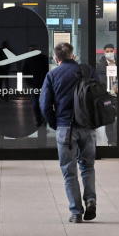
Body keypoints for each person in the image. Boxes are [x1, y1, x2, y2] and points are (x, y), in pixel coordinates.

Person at [40, 42, 99, 223]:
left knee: (69, 171)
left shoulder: (52, 75)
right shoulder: (88, 71)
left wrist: (55, 123)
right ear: (74, 56)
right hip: (88, 127)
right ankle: (90, 200)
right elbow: (99, 95)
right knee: (88, 165)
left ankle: (76, 212)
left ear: (56, 59)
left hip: (65, 127)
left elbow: (44, 105)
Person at [21, 44, 49, 127]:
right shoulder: (41, 59)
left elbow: (24, 72)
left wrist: (30, 82)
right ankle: (40, 120)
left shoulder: (31, 60)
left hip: (40, 84)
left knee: (38, 103)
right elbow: (24, 72)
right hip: (38, 84)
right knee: (37, 103)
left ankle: (41, 120)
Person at [96, 43, 118, 146]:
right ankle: (111, 141)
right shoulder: (100, 66)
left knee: (118, 119)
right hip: (106, 95)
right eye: (107, 51)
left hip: (118, 95)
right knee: (109, 119)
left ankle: (118, 140)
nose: (109, 53)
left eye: (111, 51)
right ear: (104, 53)